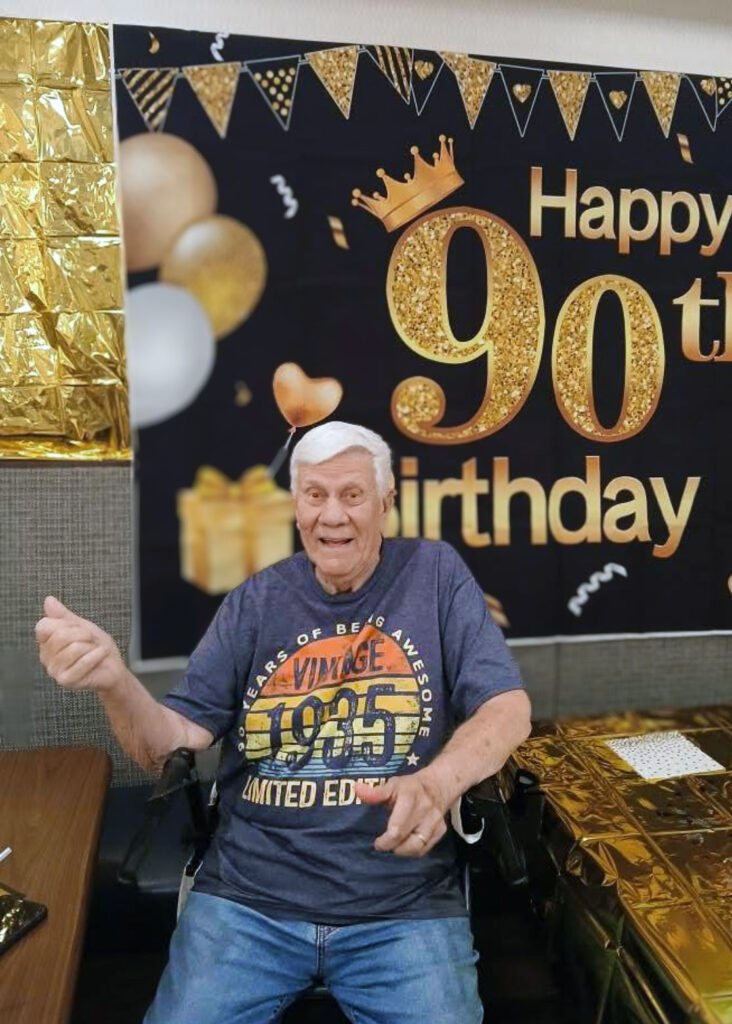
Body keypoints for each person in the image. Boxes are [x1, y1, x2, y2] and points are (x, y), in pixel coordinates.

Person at [36, 421, 531, 1024]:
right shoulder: (256, 600)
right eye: (314, 495)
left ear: (386, 504)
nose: (332, 516)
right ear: (295, 504)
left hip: (403, 904)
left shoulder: (433, 575)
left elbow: (508, 708)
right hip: (248, 902)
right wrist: (114, 683)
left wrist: (436, 783)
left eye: (351, 495)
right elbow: (170, 744)